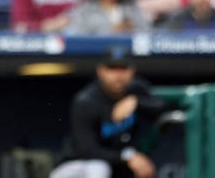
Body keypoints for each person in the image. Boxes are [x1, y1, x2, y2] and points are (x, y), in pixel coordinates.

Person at [49, 45, 164, 178]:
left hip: (117, 164)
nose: (118, 75)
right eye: (112, 69)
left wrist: (137, 102)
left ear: (132, 71)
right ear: (101, 71)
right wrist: (129, 156)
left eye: (123, 68)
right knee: (98, 168)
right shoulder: (86, 100)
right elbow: (87, 150)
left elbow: (161, 107)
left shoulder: (136, 90)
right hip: (77, 165)